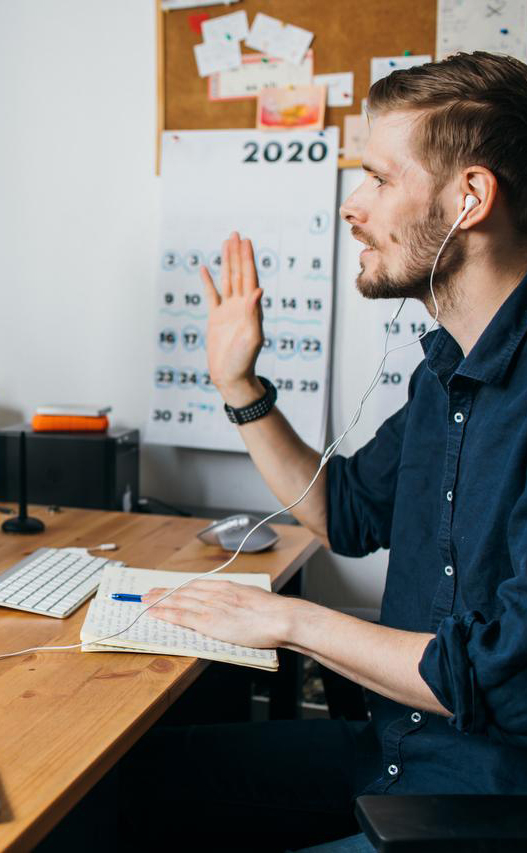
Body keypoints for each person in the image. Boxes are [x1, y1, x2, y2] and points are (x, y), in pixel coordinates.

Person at [122, 52, 527, 852]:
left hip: (481, 809)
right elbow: (339, 511)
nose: (352, 205)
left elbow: (504, 683)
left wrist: (288, 621)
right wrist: (240, 384)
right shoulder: (444, 368)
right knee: (115, 789)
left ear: (469, 198)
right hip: (392, 758)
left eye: (377, 178)